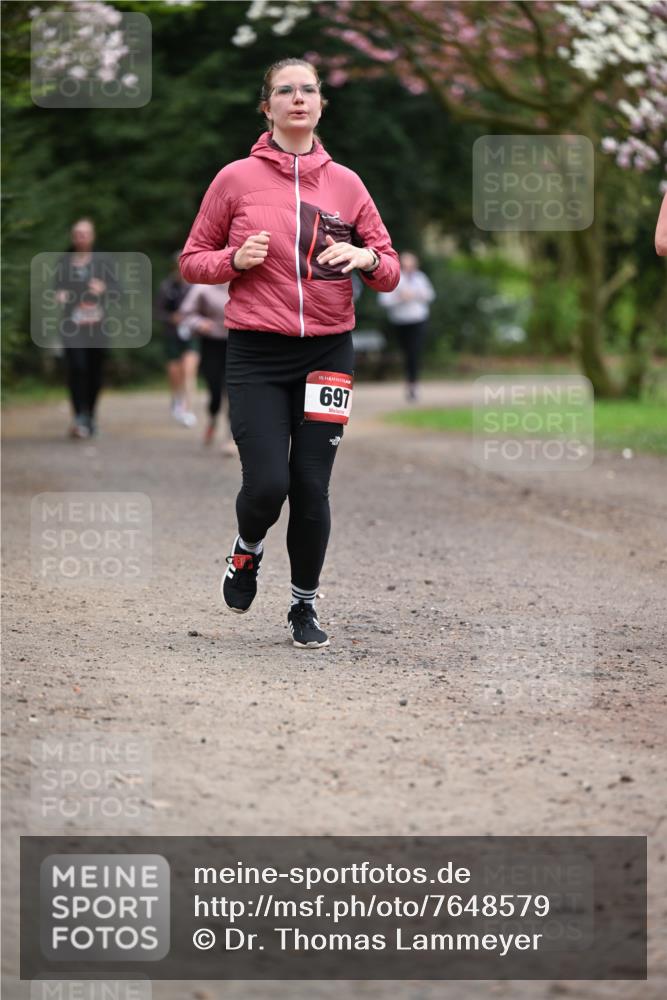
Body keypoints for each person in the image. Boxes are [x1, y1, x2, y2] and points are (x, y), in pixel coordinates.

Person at [180, 57, 399, 648]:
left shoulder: (347, 184)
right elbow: (192, 259)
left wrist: (366, 258)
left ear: (321, 105)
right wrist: (233, 260)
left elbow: (390, 269)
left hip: (328, 352)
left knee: (310, 486)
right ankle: (247, 548)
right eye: (285, 90)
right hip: (256, 352)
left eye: (308, 89)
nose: (298, 98)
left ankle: (303, 606)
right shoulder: (235, 179)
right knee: (267, 485)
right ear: (268, 107)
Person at [53, 218, 116, 438]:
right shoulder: (64, 262)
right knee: (77, 368)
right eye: (77, 234)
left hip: (97, 328)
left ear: (93, 236)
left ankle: (90, 415)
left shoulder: (103, 261)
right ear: (73, 237)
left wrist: (104, 288)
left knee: (95, 372)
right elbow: (56, 288)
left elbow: (119, 291)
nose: (81, 238)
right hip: (72, 327)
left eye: (85, 233)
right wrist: (60, 294)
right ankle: (79, 416)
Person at [178, 282, 237, 454]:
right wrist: (199, 323)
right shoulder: (202, 289)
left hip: (237, 343)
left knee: (233, 391)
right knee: (215, 391)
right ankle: (212, 418)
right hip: (211, 344)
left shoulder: (245, 283)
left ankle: (230, 437)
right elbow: (186, 313)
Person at [378, 251, 435, 402]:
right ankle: (409, 380)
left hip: (418, 320)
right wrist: (399, 298)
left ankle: (413, 384)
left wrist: (415, 294)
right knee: (406, 352)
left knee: (414, 352)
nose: (409, 267)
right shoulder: (394, 278)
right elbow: (383, 301)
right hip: (400, 321)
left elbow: (430, 295)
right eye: (405, 265)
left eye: (411, 264)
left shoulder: (421, 278)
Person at [155, 254, 198, 427]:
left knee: (189, 369)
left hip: (191, 334)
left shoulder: (196, 287)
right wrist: (171, 318)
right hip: (172, 334)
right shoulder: (167, 287)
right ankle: (177, 398)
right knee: (175, 371)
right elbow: (158, 312)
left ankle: (188, 408)